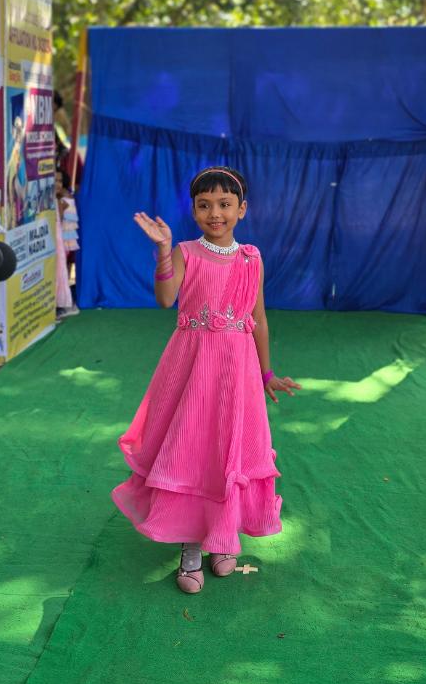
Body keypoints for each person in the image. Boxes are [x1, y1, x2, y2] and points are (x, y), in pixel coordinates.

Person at [112, 166, 300, 594]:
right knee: (193, 449)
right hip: (192, 368)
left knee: (230, 450)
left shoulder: (251, 258)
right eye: (204, 205)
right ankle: (191, 547)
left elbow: (258, 319)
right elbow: (166, 298)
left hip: (239, 372)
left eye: (224, 204)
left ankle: (223, 536)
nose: (215, 213)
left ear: (242, 209)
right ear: (195, 211)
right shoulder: (185, 252)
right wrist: (163, 251)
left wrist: (267, 372)